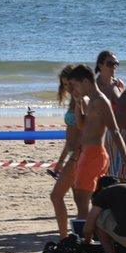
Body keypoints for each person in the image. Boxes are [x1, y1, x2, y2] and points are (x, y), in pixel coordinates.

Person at [67, 64, 126, 210]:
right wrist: (78, 103)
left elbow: (115, 130)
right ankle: (90, 227)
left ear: (85, 82)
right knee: (81, 197)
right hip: (87, 151)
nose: (74, 90)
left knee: (82, 198)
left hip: (95, 152)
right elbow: (82, 125)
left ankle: (85, 230)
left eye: (76, 85)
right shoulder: (90, 100)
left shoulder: (101, 101)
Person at [50, 65, 89, 239]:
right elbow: (69, 138)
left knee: (57, 196)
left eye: (70, 84)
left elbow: (86, 130)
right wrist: (60, 161)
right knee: (79, 201)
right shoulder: (74, 100)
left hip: (81, 154)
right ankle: (82, 238)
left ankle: (65, 238)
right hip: (75, 153)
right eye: (65, 85)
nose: (68, 88)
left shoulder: (83, 100)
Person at [95, 51, 126, 180]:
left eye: (116, 64)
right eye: (110, 64)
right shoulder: (95, 87)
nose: (114, 67)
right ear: (100, 65)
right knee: (105, 173)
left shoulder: (118, 84)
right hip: (104, 133)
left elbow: (124, 108)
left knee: (124, 173)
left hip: (121, 132)